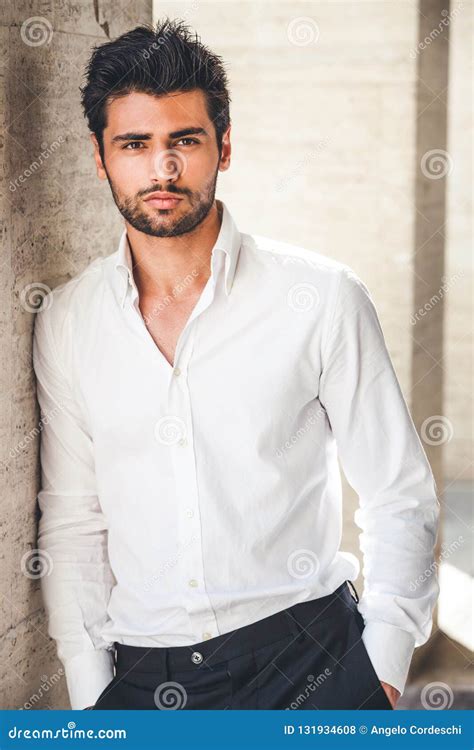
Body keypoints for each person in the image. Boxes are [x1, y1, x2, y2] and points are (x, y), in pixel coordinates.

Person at [32, 18, 440, 711]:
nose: (162, 169)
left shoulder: (321, 297)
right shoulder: (68, 321)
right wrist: (91, 697)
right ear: (101, 158)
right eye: (135, 144)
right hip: (138, 678)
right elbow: (75, 522)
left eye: (183, 141)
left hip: (311, 660)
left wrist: (381, 675)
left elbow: (399, 494)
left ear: (224, 146)